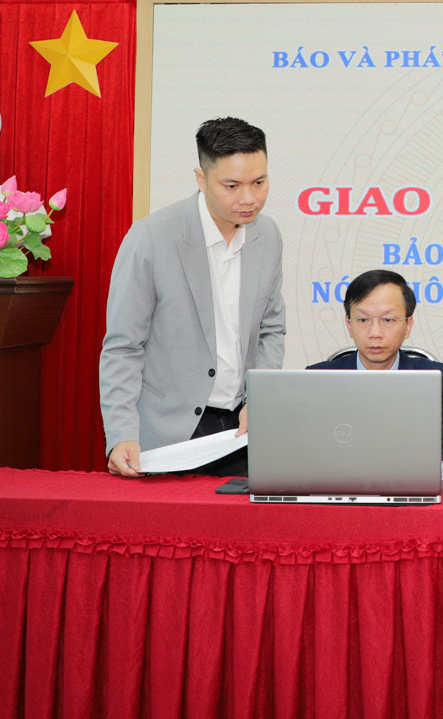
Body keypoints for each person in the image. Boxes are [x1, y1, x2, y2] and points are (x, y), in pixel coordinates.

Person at [100, 117, 286, 477]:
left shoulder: (267, 235)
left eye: (259, 182)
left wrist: (260, 397)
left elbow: (271, 329)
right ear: (201, 179)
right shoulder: (152, 237)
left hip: (243, 431)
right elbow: (124, 347)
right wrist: (121, 433)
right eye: (231, 185)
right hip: (168, 434)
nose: (249, 198)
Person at [306, 269, 443, 480]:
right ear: (349, 324)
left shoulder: (438, 378)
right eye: (363, 320)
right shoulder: (318, 379)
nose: (375, 333)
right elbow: (304, 445)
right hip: (338, 487)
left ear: (408, 325)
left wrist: (421, 477)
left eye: (388, 320)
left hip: (410, 486)